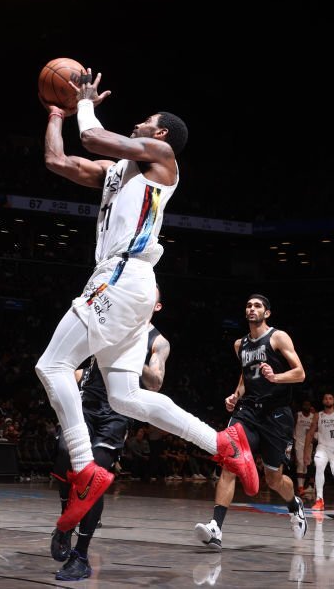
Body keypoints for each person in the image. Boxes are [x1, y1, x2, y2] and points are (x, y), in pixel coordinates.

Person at [35, 70, 257, 535]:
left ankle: (84, 467)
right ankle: (222, 443)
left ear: (160, 134)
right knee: (126, 396)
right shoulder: (118, 172)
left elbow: (92, 136)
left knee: (52, 366)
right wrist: (56, 113)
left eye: (146, 121)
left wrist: (84, 103)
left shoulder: (162, 157)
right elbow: (57, 160)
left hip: (121, 275)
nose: (137, 122)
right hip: (131, 284)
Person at [49, 289, 170, 581]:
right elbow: (82, 361)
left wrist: (133, 360)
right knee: (65, 454)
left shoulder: (158, 341)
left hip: (115, 413)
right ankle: (66, 521)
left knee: (95, 480)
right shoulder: (109, 318)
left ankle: (80, 556)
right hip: (86, 404)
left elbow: (156, 382)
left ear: (155, 306)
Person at [193, 294, 308, 551]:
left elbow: (300, 373)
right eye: (248, 305)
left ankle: (294, 505)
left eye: (257, 306)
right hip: (247, 413)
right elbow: (246, 376)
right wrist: (235, 395)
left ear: (267, 313)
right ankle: (216, 527)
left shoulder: (278, 337)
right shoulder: (240, 344)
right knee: (230, 463)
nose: (252, 309)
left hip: (276, 416)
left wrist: (276, 377)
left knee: (274, 479)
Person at [304, 392, 334, 510]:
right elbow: (310, 433)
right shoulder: (318, 415)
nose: (328, 400)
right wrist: (306, 452)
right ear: (323, 401)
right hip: (323, 447)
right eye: (325, 398)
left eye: (330, 398)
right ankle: (319, 500)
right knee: (319, 465)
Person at [293, 398, 315, 496]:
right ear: (302, 406)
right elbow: (293, 428)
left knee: (306, 464)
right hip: (299, 442)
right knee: (300, 463)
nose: (306, 406)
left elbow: (315, 430)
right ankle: (300, 486)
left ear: (310, 406)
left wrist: (314, 438)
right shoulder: (298, 415)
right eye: (305, 404)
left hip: (309, 444)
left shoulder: (313, 417)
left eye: (308, 405)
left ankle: (303, 486)